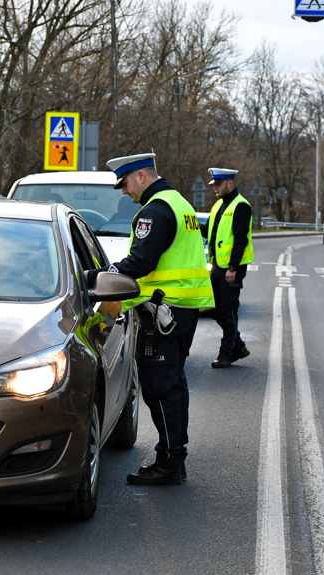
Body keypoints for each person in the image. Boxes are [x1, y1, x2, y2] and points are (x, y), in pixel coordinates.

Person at [88, 152, 214, 486]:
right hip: (182, 310)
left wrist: (97, 275)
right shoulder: (180, 203)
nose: (125, 191)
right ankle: (173, 456)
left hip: (162, 313)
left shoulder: (155, 211)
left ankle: (170, 462)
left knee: (159, 389)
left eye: (126, 183)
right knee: (173, 385)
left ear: (141, 176)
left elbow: (140, 262)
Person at [204, 167, 254, 369]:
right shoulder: (218, 205)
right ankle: (239, 346)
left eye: (218, 184)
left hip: (231, 268)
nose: (215, 188)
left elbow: (241, 240)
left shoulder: (241, 206)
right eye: (214, 184)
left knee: (227, 310)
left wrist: (233, 268)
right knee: (216, 309)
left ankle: (226, 353)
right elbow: (208, 230)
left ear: (230, 184)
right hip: (217, 265)